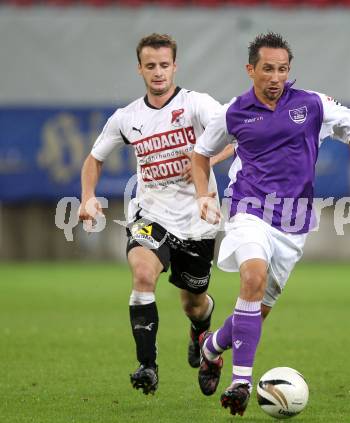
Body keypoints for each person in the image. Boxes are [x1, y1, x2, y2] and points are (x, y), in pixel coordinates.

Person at [191, 32, 350, 416]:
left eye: (282, 69)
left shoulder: (311, 103)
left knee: (255, 310)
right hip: (249, 209)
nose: (275, 77)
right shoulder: (233, 112)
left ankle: (211, 348)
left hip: (294, 223)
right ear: (251, 70)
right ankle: (241, 382)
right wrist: (204, 196)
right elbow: (200, 154)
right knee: (252, 279)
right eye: (267, 69)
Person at [79, 33, 233, 396]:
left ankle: (200, 333)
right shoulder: (126, 118)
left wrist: (202, 161)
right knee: (143, 273)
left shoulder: (197, 105)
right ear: (140, 69)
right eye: (151, 66)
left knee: (193, 303)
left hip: (198, 219)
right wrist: (87, 197)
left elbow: (233, 135)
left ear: (175, 66)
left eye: (165, 65)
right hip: (151, 214)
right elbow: (94, 158)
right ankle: (147, 365)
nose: (158, 72)